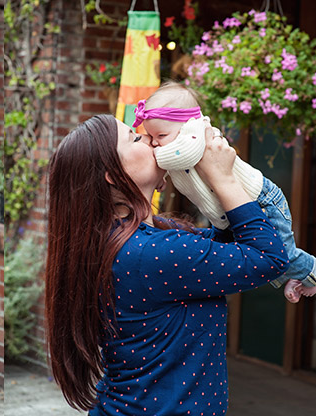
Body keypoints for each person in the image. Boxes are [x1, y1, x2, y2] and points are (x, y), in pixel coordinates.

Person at [45, 114, 289, 415]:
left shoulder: (138, 238)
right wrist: (222, 178)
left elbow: (228, 240)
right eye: (136, 138)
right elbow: (268, 257)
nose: (148, 138)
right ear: (112, 173)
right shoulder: (153, 252)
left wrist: (198, 169)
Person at [134, 81, 316, 303]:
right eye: (150, 137)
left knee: (281, 253)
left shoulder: (196, 132)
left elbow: (186, 155)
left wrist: (154, 158)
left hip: (262, 201)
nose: (154, 144)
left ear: (186, 123)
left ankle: (310, 271)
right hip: (232, 214)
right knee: (256, 254)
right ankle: (294, 277)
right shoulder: (173, 144)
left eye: (160, 136)